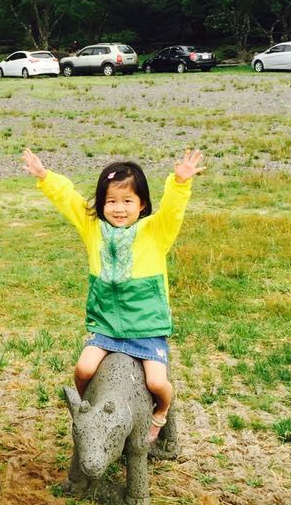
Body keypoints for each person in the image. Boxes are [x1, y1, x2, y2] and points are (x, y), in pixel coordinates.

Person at [22, 147, 204, 442]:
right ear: (101, 203)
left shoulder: (155, 231)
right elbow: (69, 200)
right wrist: (45, 176)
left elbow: (173, 210)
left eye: (127, 201)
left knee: (158, 382)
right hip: (106, 324)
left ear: (142, 204)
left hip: (146, 327)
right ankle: (88, 412)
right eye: (111, 201)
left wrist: (180, 183)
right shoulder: (93, 228)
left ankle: (162, 412)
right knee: (83, 369)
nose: (119, 208)